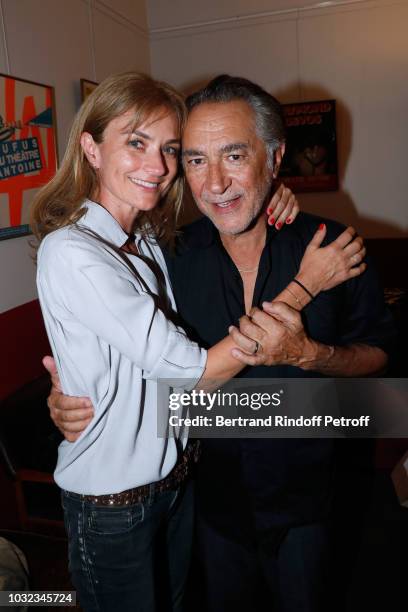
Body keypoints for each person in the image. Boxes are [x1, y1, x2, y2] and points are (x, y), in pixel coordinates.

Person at [43, 74, 375, 612]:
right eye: (195, 159)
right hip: (205, 503)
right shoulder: (171, 251)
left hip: (301, 501)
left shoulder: (331, 247)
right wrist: (71, 401)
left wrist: (315, 356)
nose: (214, 181)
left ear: (274, 157)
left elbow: (380, 365)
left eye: (235, 156)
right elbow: (173, 373)